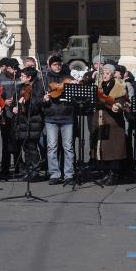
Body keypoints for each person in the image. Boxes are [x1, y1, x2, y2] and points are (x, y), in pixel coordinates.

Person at [42, 54, 77, 185]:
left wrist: (75, 85)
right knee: (52, 147)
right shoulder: (45, 79)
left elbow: (75, 98)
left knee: (68, 147)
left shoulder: (68, 77)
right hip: (51, 116)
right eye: (55, 64)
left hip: (67, 116)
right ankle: (54, 174)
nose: (57, 66)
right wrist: (43, 99)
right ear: (50, 66)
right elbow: (39, 96)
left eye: (59, 64)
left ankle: (69, 174)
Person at [10, 66, 45, 180]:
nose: (21, 77)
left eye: (23, 76)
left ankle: (35, 170)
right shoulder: (20, 87)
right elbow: (14, 102)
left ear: (29, 77)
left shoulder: (38, 87)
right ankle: (28, 169)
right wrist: (14, 107)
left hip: (33, 121)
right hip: (22, 121)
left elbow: (37, 104)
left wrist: (26, 102)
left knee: (32, 147)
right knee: (25, 147)